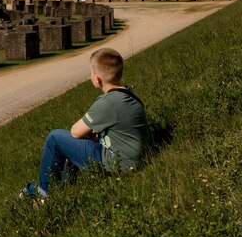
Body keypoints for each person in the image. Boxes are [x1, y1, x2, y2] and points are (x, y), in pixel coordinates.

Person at [22, 48, 150, 199]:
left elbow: (75, 131)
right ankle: (63, 186)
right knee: (81, 139)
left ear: (97, 79)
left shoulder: (107, 103)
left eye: (91, 72)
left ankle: (43, 193)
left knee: (55, 138)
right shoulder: (129, 94)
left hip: (118, 163)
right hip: (133, 158)